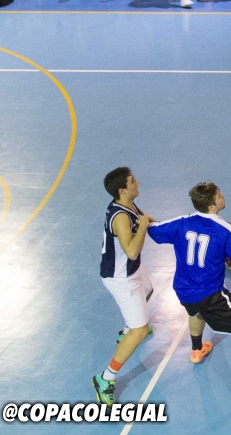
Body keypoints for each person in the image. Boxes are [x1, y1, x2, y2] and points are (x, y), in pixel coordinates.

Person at [147, 181, 231, 407]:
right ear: (212, 206)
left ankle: (197, 349)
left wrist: (143, 217)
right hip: (210, 294)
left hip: (183, 289)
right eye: (219, 195)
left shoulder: (182, 222)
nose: (223, 196)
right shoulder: (224, 229)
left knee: (195, 313)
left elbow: (154, 230)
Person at [92, 167, 156, 406]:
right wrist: (143, 226)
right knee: (140, 331)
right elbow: (131, 251)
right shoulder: (120, 217)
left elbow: (146, 219)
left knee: (148, 290)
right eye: (132, 181)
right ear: (123, 190)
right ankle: (105, 379)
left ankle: (127, 330)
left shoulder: (128, 204)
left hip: (133, 271)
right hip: (121, 278)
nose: (137, 182)